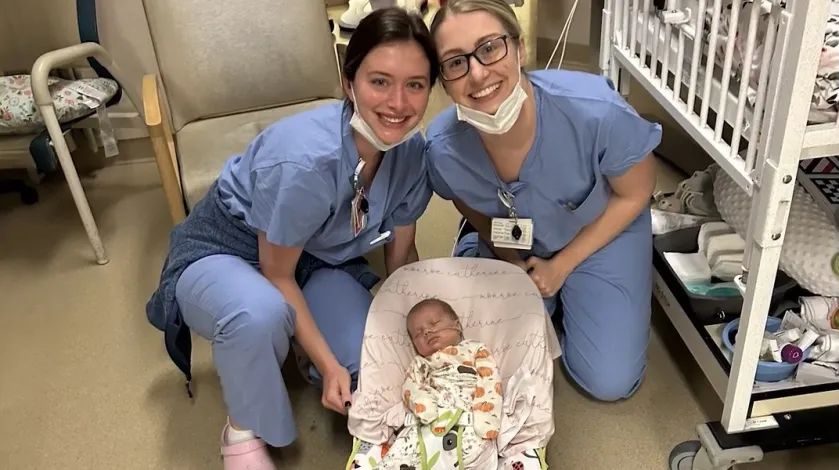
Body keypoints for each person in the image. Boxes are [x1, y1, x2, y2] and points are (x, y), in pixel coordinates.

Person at [144, 8, 438, 469]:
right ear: (349, 81)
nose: (398, 103)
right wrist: (330, 366)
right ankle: (244, 427)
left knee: (376, 361)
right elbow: (277, 273)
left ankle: (303, 344)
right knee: (258, 316)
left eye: (415, 85)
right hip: (229, 248)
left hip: (318, 258)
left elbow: (401, 244)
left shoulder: (413, 154)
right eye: (380, 81)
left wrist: (399, 315)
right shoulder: (305, 162)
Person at [425, 0, 662, 403]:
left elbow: (636, 191)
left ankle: (572, 295)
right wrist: (507, 257)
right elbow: (469, 203)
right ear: (443, 82)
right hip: (513, 240)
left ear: (519, 47)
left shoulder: (595, 113)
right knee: (480, 361)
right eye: (455, 63)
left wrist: (561, 266)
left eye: (489, 48)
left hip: (601, 229)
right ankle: (477, 253)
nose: (477, 73)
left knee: (609, 382)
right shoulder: (443, 147)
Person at [367, 299, 502, 470]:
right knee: (399, 456)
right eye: (418, 334)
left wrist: (487, 416)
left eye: (434, 324)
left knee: (475, 454)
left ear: (457, 326)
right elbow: (410, 387)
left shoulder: (474, 349)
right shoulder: (421, 363)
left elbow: (489, 380)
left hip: (466, 422)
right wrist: (423, 403)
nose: (427, 332)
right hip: (426, 424)